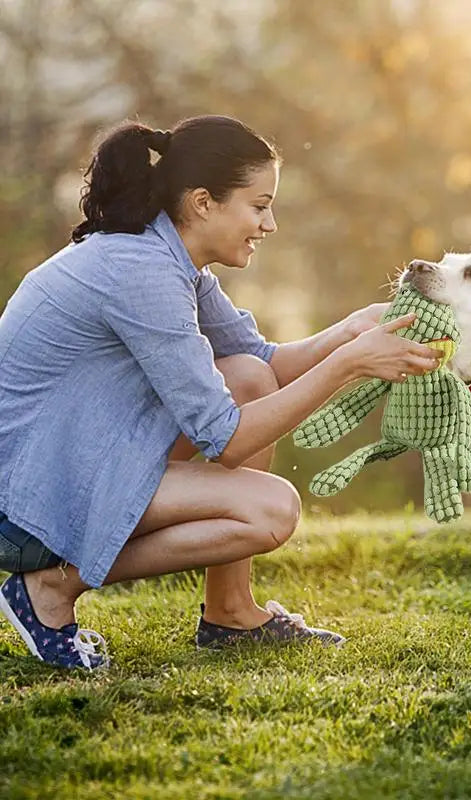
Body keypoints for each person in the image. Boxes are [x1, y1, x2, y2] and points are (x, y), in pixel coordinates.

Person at [0, 115, 442, 670]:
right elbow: (227, 441)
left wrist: (350, 330)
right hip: (28, 502)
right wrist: (349, 365)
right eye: (259, 206)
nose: (270, 223)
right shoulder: (142, 272)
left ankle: (230, 613)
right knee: (271, 511)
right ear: (204, 202)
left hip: (81, 459)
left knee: (249, 380)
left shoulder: (168, 257)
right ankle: (50, 585)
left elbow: (265, 365)